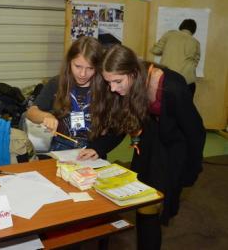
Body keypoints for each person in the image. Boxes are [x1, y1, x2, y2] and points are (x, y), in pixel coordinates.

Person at [83, 44, 205, 250]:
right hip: (148, 140)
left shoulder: (172, 87)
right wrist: (98, 147)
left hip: (174, 143)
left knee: (155, 205)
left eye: (118, 81)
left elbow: (195, 132)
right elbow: (120, 124)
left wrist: (191, 171)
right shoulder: (123, 85)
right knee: (142, 198)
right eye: (108, 82)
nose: (113, 88)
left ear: (134, 73)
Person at [26, 36, 102, 157]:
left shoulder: (106, 87)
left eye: (90, 68)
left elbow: (117, 127)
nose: (83, 74)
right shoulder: (57, 83)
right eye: (78, 66)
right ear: (69, 62)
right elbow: (31, 113)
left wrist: (99, 149)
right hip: (60, 148)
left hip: (94, 149)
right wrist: (46, 116)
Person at [151, 19, 200, 97]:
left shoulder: (169, 34)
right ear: (193, 30)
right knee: (185, 107)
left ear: (181, 26)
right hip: (187, 82)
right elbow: (195, 61)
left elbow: (156, 50)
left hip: (167, 79)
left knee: (166, 106)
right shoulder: (196, 42)